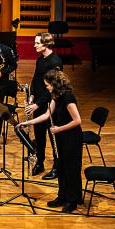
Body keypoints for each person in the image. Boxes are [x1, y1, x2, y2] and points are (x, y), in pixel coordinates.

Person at [18, 69, 83, 213]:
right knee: (60, 166)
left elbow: (77, 121)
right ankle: (62, 196)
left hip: (71, 137)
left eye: (47, 85)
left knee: (70, 168)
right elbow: (47, 115)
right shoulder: (56, 96)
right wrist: (27, 123)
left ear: (54, 84)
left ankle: (73, 200)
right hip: (60, 135)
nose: (46, 87)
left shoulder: (68, 98)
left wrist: (59, 129)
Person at [25, 32, 63, 177]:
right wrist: (32, 95)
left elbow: (53, 88)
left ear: (46, 44)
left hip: (51, 105)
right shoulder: (41, 59)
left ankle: (57, 166)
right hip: (39, 103)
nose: (34, 45)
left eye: (37, 43)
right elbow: (36, 79)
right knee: (39, 136)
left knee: (53, 138)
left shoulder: (55, 62)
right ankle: (40, 162)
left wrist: (38, 104)